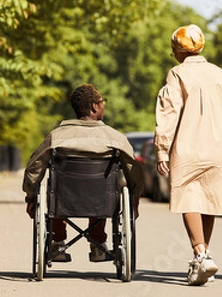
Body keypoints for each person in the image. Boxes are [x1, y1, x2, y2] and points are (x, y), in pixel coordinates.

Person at [155, 24, 222, 286]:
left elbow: (169, 112)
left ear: (179, 51)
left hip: (188, 147)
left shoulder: (177, 74)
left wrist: (161, 149)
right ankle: (203, 256)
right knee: (209, 201)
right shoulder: (219, 73)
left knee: (190, 199)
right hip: (217, 148)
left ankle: (201, 254)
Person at [22, 84, 144, 262]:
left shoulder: (56, 137)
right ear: (95, 106)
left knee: (54, 188)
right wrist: (135, 199)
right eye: (102, 102)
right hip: (102, 200)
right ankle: (97, 244)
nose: (104, 105)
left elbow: (34, 168)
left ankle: (57, 242)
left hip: (64, 199)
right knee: (103, 189)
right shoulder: (115, 138)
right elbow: (134, 174)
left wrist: (31, 196)